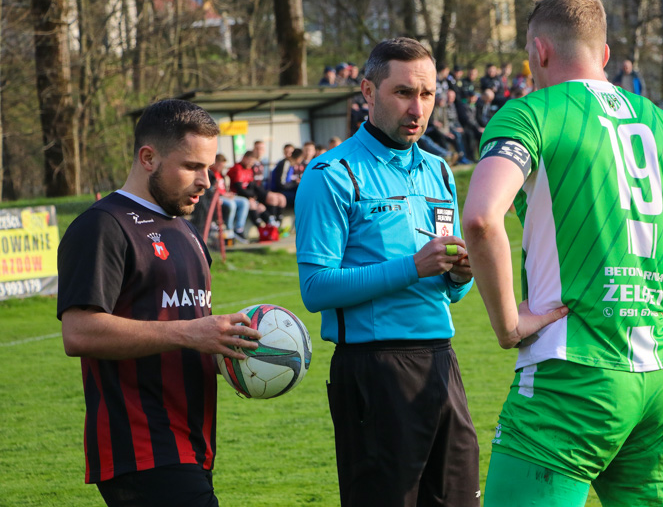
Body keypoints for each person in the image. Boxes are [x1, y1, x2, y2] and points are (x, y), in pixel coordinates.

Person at [462, 0, 663, 506]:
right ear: (604, 55)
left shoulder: (530, 114)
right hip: (658, 380)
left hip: (571, 376)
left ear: (539, 52)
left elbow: (480, 219)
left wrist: (507, 325)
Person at [294, 37, 480, 507]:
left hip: (442, 360)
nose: (417, 108)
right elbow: (316, 289)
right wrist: (413, 267)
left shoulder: (439, 171)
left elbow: (452, 291)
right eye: (402, 93)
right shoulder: (332, 173)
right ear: (368, 92)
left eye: (427, 94)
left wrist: (461, 274)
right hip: (374, 370)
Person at [56, 99, 262, 507]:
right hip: (140, 444)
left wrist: (235, 355)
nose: (207, 181)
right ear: (148, 157)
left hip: (192, 440)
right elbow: (78, 332)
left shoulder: (186, 231)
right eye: (192, 167)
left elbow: (184, 334)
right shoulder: (103, 226)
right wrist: (194, 332)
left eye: (210, 167)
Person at [210, 153, 251, 243]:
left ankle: (239, 229)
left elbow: (224, 188)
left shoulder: (221, 174)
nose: (222, 168)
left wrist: (228, 194)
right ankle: (230, 229)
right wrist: (224, 195)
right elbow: (211, 190)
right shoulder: (210, 174)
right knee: (231, 204)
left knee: (244, 201)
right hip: (216, 198)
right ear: (215, 163)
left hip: (225, 195)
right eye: (221, 165)